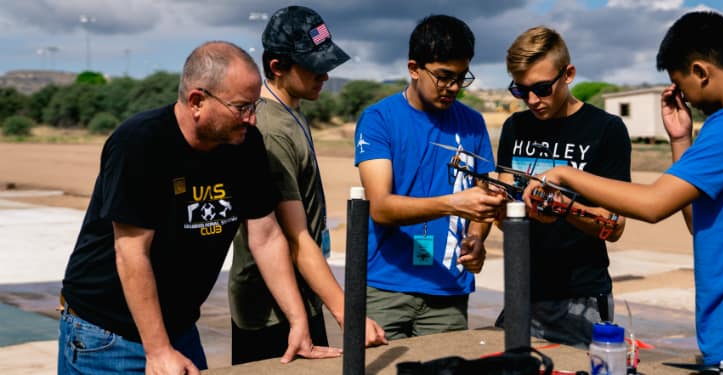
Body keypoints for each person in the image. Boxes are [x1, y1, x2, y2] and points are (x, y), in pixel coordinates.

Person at [522, 11, 723, 374]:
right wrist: (681, 140)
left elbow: (653, 204)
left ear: (701, 71)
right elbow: (699, 221)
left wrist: (566, 174)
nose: (687, 98)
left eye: (682, 84)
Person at [58, 41, 340, 375]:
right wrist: (159, 351)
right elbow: (131, 253)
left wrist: (297, 322)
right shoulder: (140, 143)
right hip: (109, 335)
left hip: (178, 329)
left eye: (254, 106)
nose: (251, 119)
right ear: (197, 101)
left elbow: (266, 237)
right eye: (241, 107)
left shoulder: (245, 144)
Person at [229, 6, 387, 365]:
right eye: (315, 65)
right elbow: (294, 238)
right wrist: (348, 314)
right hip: (271, 310)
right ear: (277, 67)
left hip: (300, 294)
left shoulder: (291, 109)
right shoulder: (270, 131)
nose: (326, 75)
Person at [354, 14, 507, 340]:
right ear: (414, 68)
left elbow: (482, 200)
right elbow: (380, 207)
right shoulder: (378, 119)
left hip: (448, 288)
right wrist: (453, 204)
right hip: (385, 286)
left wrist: (478, 237)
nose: (453, 87)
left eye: (462, 77)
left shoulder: (473, 124)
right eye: (443, 76)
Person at [495, 26, 630, 348]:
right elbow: (503, 213)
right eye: (520, 90)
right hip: (523, 290)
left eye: (542, 88)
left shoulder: (606, 130)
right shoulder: (515, 126)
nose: (532, 100)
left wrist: (561, 209)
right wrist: (498, 210)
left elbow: (614, 227)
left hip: (582, 296)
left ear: (568, 74)